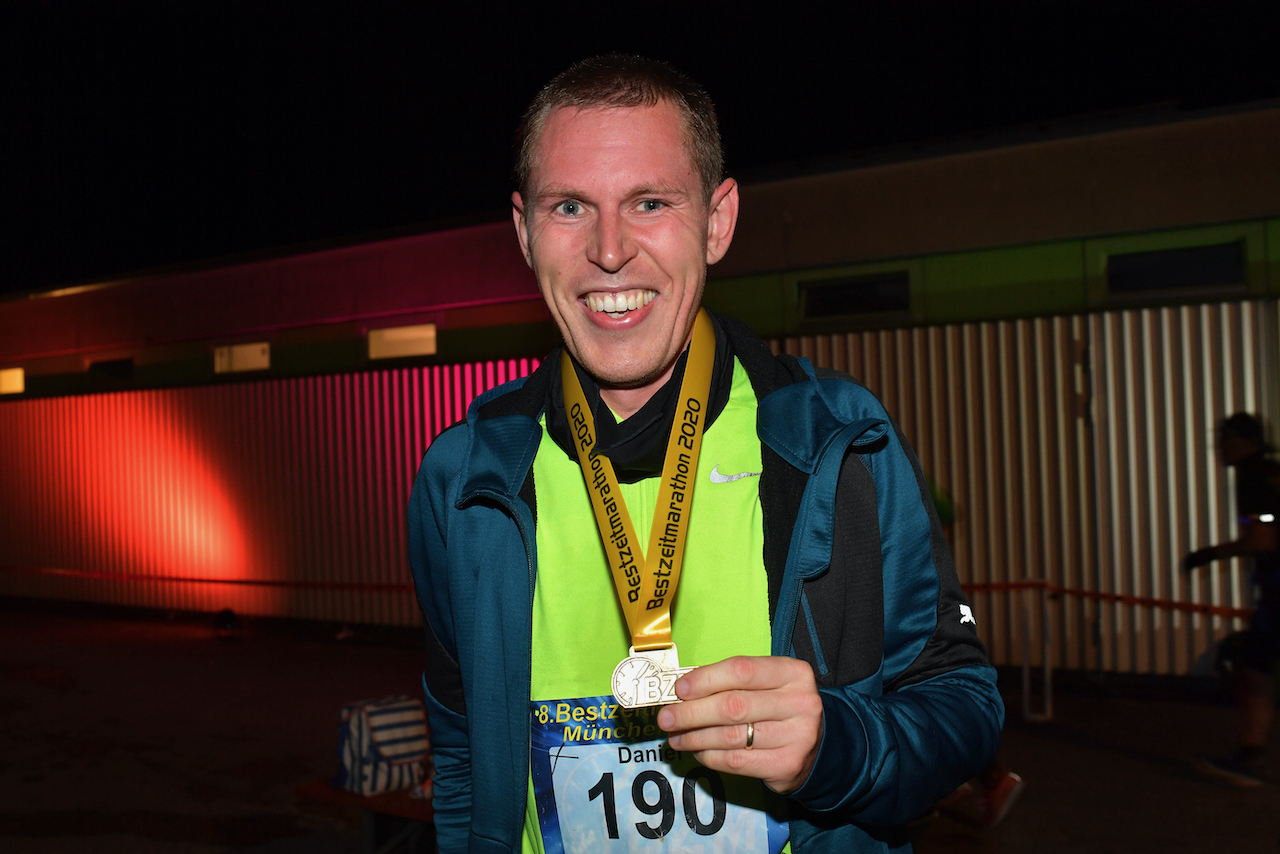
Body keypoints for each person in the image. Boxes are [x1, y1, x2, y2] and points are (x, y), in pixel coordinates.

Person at [408, 55, 1003, 853]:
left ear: (717, 221)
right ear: (523, 231)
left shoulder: (839, 440)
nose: (610, 251)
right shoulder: (465, 478)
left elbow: (963, 705)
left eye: (650, 202)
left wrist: (837, 747)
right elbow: (459, 751)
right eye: (570, 207)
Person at [1186, 412, 1280, 787]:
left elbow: (1262, 540)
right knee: (1256, 666)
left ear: (1242, 441)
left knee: (1256, 669)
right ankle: (1250, 752)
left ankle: (1251, 756)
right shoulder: (1271, 471)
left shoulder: (1254, 477)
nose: (1218, 448)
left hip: (1278, 589)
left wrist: (1209, 554)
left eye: (1223, 439)